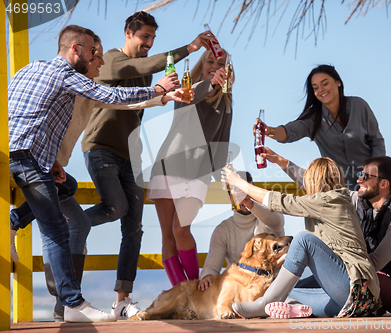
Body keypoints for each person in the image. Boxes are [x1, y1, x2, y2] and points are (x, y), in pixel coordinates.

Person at [9, 34, 189, 322]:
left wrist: (162, 97)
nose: (101, 61)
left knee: (70, 194)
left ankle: (14, 223)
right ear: (76, 50)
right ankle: (72, 304)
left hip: (29, 156)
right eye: (95, 54)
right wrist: (158, 88)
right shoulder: (70, 77)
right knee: (56, 229)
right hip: (30, 160)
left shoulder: (32, 69)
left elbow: (25, 113)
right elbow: (113, 96)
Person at [81, 11, 212, 319]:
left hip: (131, 156)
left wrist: (169, 94)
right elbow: (141, 67)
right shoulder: (112, 60)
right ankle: (70, 221)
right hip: (101, 148)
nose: (149, 43)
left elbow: (146, 100)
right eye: (144, 37)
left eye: (153, 38)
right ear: (128, 33)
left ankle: (122, 300)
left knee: (135, 228)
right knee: (116, 208)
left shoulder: (148, 71)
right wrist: (189, 49)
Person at [268, 150, 391, 316]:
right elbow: (323, 188)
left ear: (384, 184)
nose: (359, 180)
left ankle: (290, 302)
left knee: (347, 280)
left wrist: (320, 257)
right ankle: (296, 305)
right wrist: (281, 162)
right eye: (360, 175)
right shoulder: (359, 200)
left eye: (365, 177)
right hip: (378, 278)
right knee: (295, 286)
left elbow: (374, 263)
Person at [221, 153, 380, 319]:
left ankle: (265, 303)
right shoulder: (338, 200)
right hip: (356, 302)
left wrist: (239, 182)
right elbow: (327, 250)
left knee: (303, 239)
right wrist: (279, 161)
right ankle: (295, 309)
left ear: (314, 181)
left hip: (354, 289)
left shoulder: (329, 200)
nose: (305, 184)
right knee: (281, 288)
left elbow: (280, 201)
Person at [147, 48, 233, 287]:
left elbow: (222, 137)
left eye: (220, 63)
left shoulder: (226, 97)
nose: (215, 66)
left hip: (198, 173)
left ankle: (195, 289)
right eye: (210, 61)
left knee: (181, 230)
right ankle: (181, 295)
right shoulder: (186, 89)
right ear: (201, 65)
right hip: (168, 165)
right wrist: (209, 83)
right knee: (167, 236)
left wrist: (221, 171)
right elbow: (191, 96)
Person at [257, 65, 385, 190]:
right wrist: (269, 131)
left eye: (325, 84)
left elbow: (377, 141)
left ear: (338, 82)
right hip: (340, 191)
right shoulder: (313, 118)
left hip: (371, 186)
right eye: (315, 87)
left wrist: (375, 174)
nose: (321, 90)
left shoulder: (359, 105)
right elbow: (289, 132)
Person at [197, 171, 285, 291]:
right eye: (238, 193)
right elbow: (212, 266)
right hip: (240, 288)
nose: (244, 196)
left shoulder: (266, 217)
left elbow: (278, 222)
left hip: (272, 285)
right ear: (230, 197)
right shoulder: (223, 230)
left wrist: (250, 203)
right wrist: (207, 276)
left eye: (247, 191)